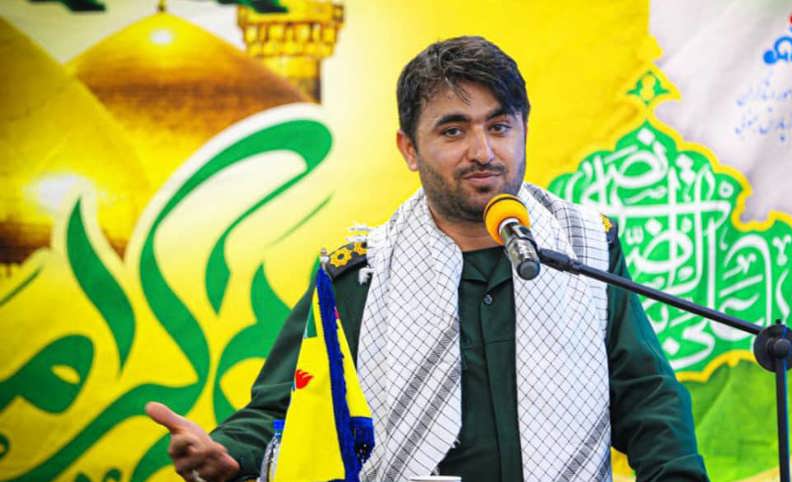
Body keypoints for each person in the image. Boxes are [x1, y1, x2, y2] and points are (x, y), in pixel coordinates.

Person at [146, 36, 709, 482]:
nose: (483, 152)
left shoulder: (583, 247)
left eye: (499, 126)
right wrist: (229, 451)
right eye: (453, 131)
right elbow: (287, 407)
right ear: (409, 149)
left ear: (523, 131)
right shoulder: (359, 275)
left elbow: (645, 394)